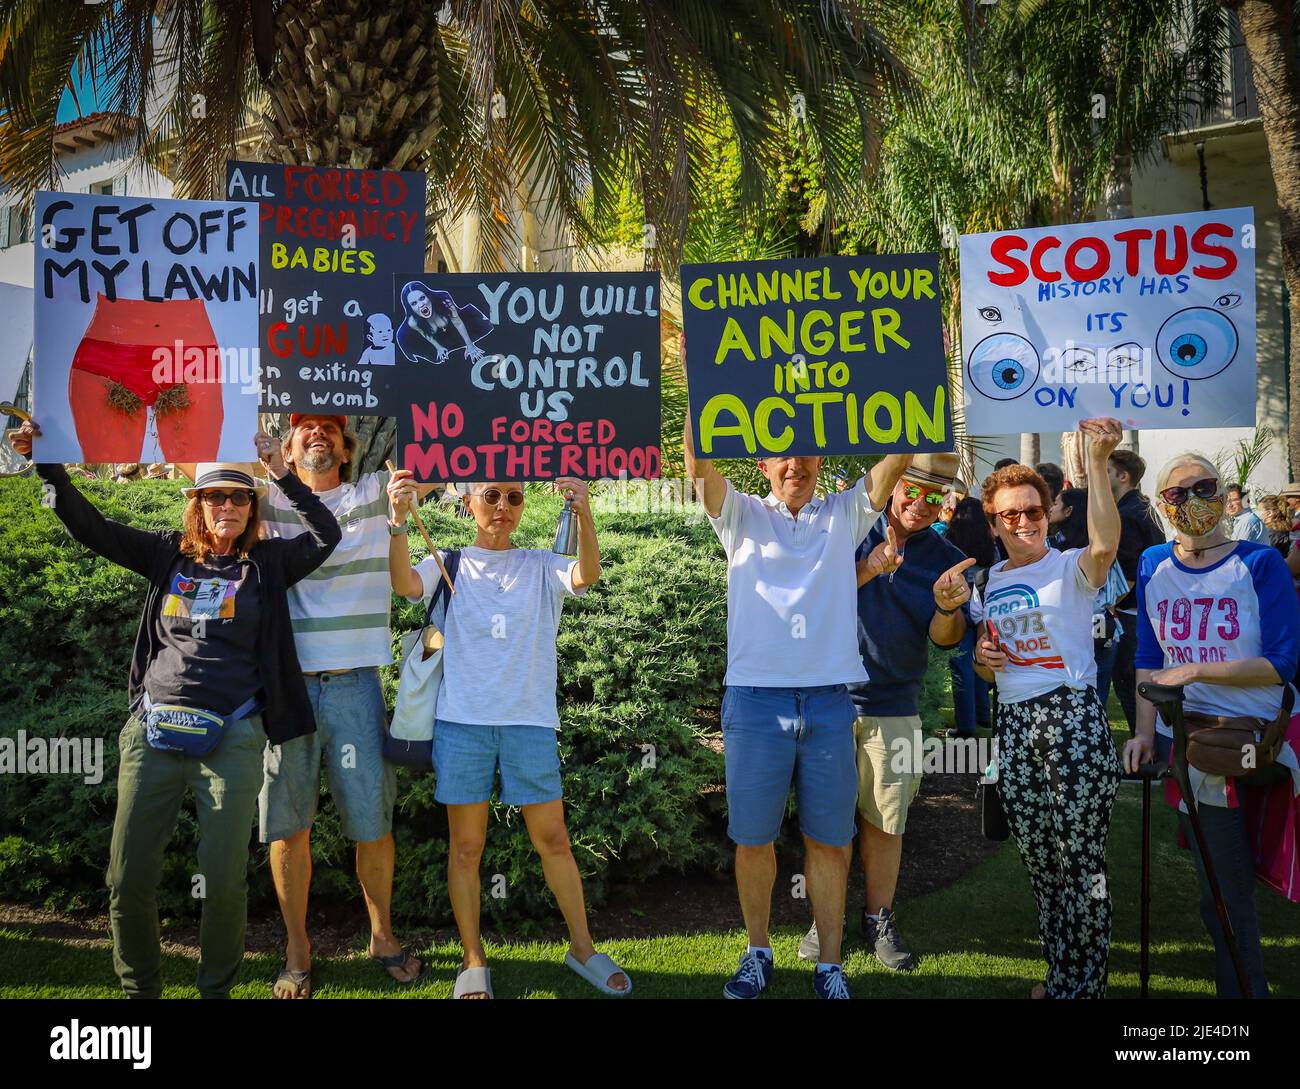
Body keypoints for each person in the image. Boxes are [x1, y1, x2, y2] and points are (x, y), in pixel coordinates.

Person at [8, 420, 340, 998]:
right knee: (127, 875)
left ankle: (215, 990)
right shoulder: (168, 554)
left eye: (240, 497)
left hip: (234, 738)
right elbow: (91, 526)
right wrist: (48, 466)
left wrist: (283, 476)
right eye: (216, 496)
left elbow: (326, 533)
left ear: (251, 508)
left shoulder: (267, 563)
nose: (228, 506)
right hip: (153, 734)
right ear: (198, 505)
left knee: (222, 881)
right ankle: (140, 991)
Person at [683, 412, 913, 1000]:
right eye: (782, 456)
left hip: (830, 703)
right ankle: (758, 950)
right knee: (753, 840)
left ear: (820, 462)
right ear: (762, 464)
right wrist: (701, 392)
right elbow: (698, 464)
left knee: (830, 840)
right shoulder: (739, 513)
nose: (796, 465)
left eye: (807, 455)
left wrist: (919, 377)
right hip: (756, 702)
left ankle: (829, 964)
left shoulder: (843, 513)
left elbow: (893, 464)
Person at [386, 473, 630, 999]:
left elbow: (588, 574)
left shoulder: (541, 563)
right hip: (462, 725)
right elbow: (403, 585)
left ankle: (582, 947)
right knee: (466, 850)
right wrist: (399, 521)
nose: (502, 506)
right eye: (491, 496)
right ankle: (474, 961)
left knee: (555, 841)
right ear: (469, 501)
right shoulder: (448, 561)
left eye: (513, 497)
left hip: (529, 723)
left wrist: (583, 511)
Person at [252, 414, 439, 998]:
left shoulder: (375, 492)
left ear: (346, 446)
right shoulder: (263, 497)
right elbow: (191, 459)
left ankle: (382, 936)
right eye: (305, 427)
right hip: (289, 688)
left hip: (357, 682)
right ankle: (297, 947)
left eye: (330, 428)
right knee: (288, 829)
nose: (318, 434)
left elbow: (465, 455)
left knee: (372, 823)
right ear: (285, 446)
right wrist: (46, 454)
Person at [1124, 453, 1300, 999]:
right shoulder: (1153, 562)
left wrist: (1199, 668)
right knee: (1221, 885)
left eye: (1205, 486)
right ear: (1161, 505)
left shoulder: (1261, 562)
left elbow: (1282, 661)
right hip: (1198, 746)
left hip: (1269, 736)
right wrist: (1145, 731)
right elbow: (1148, 655)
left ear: (1225, 493)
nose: (1192, 500)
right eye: (1177, 493)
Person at [796, 454, 973, 972]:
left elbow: (947, 640)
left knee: (886, 824)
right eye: (913, 490)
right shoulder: (843, 527)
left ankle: (879, 918)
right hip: (828, 700)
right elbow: (808, 600)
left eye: (936, 496)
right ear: (892, 484)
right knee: (827, 824)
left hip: (895, 708)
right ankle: (822, 918)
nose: (922, 505)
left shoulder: (947, 557)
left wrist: (946, 606)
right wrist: (870, 568)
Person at [972, 418, 1125, 999]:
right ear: (994, 522)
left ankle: (1084, 988)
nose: (1023, 522)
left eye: (1032, 511)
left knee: (1081, 864)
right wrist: (985, 655)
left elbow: (1106, 545)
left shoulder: (1070, 567)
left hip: (1071, 722)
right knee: (1043, 865)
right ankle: (1062, 976)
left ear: (1050, 511)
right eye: (1009, 514)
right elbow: (992, 666)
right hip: (1014, 726)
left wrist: (1097, 461)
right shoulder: (990, 580)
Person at [1107, 447, 1166, 733]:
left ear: (1124, 476)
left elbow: (1130, 570)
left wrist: (1111, 604)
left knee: (1130, 683)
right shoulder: (1142, 507)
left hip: (1132, 612)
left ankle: (1145, 747)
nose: (1102, 477)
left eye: (1107, 472)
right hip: (1148, 606)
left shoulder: (1129, 513)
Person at [943, 497, 996, 739]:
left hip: (960, 604)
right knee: (980, 660)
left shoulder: (949, 540)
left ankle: (966, 726)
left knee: (961, 666)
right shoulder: (989, 541)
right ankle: (983, 715)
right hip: (985, 605)